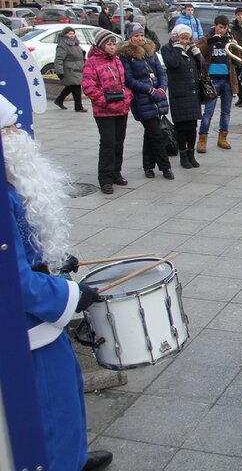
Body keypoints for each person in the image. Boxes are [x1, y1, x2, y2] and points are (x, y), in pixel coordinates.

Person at [1, 96, 113, 471]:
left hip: (36, 318)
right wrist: (71, 294)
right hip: (25, 326)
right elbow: (14, 281)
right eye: (8, 129)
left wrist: (53, 262)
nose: (18, 135)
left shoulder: (9, 184)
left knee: (66, 388)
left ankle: (73, 456)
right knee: (53, 404)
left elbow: (21, 252)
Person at [118, 22, 173, 180]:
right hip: (142, 98)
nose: (140, 38)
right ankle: (165, 167)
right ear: (130, 37)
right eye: (136, 35)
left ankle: (148, 166)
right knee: (156, 134)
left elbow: (161, 72)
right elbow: (129, 79)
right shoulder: (126, 55)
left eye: (141, 35)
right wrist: (149, 90)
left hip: (157, 97)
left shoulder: (150, 51)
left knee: (150, 134)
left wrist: (161, 88)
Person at [82, 29, 133, 194]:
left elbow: (124, 83)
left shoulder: (117, 61)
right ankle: (105, 178)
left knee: (119, 142)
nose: (112, 47)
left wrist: (127, 97)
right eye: (109, 44)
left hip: (121, 108)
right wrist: (104, 101)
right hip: (104, 111)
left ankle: (116, 172)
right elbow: (88, 86)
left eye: (113, 44)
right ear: (101, 45)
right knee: (108, 143)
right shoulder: (92, 62)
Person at [161, 24, 202, 169]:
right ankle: (183, 155)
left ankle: (191, 154)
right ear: (176, 37)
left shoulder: (190, 49)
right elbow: (173, 64)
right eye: (182, 38)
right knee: (181, 127)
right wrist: (178, 48)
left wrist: (196, 51)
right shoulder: (167, 49)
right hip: (179, 94)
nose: (185, 41)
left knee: (192, 127)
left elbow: (201, 65)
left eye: (187, 38)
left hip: (192, 93)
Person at [197, 15, 239, 152]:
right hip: (212, 80)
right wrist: (211, 42)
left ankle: (223, 137)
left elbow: (237, 61)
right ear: (215, 25)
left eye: (225, 28)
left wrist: (235, 46)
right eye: (220, 27)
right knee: (208, 112)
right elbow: (199, 53)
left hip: (227, 79)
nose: (222, 30)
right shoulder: (207, 38)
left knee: (226, 112)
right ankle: (202, 139)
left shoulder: (229, 39)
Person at [53, 26, 87, 112]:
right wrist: (59, 72)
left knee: (71, 86)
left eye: (73, 33)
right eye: (69, 34)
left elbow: (78, 55)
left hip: (77, 68)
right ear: (64, 34)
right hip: (70, 69)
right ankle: (78, 107)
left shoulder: (75, 43)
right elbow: (59, 59)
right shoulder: (62, 45)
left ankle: (59, 100)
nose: (71, 35)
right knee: (76, 87)